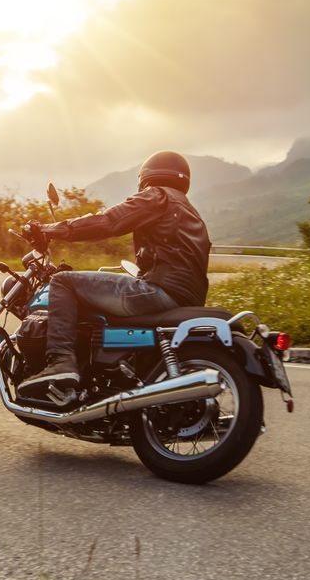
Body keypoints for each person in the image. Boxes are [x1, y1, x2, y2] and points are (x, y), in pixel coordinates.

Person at [18, 150, 211, 406]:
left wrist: (50, 229)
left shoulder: (157, 196)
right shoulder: (191, 211)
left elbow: (109, 222)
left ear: (147, 177)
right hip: (185, 297)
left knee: (64, 281)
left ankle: (61, 362)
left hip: (159, 290)